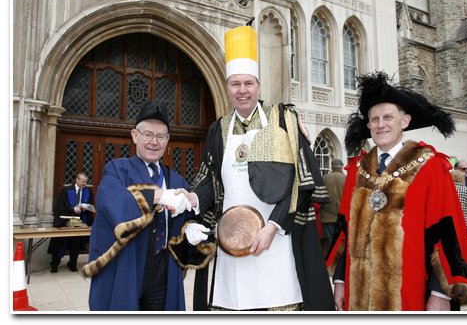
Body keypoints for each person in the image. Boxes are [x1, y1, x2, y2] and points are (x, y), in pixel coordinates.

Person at [190, 25, 335, 311]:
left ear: (258, 85)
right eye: (235, 84)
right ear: (227, 87)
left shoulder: (283, 121)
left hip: (276, 238)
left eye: (248, 83)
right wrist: (193, 201)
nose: (242, 90)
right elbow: (207, 180)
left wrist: (273, 226)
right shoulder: (218, 130)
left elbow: (299, 181)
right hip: (230, 240)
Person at [326, 71, 467, 311]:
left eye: (388, 117)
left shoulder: (429, 166)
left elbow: (445, 231)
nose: (381, 125)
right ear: (368, 125)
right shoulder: (357, 171)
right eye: (375, 119)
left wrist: (440, 292)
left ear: (405, 121)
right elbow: (345, 230)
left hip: (410, 290)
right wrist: (339, 281)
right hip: (359, 294)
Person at [87, 101, 212, 311]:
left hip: (163, 270)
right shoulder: (118, 170)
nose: (154, 142)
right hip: (126, 266)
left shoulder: (177, 181)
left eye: (160, 136)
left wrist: (189, 232)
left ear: (167, 140)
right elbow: (112, 202)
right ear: (135, 136)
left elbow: (183, 225)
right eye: (148, 135)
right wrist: (159, 196)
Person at [47, 172, 95, 273]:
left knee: (76, 243)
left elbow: (90, 204)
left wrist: (86, 207)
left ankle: (72, 263)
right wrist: (72, 209)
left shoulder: (88, 191)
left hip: (80, 221)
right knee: (60, 242)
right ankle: (55, 264)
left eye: (86, 182)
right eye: (83, 182)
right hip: (65, 221)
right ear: (77, 180)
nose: (84, 184)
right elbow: (60, 205)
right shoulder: (66, 190)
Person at [320, 159, 346, 254]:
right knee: (341, 242)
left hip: (327, 216)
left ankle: (329, 264)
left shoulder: (324, 178)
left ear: (332, 167)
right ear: (341, 166)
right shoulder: (346, 178)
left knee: (329, 243)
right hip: (342, 217)